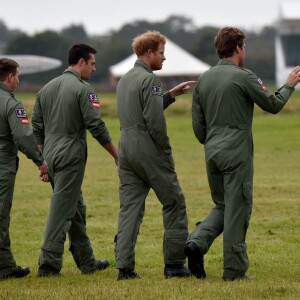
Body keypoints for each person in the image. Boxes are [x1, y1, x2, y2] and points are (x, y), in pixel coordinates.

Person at [185, 26, 300, 281]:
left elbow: (198, 127)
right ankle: (235, 271)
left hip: (212, 152)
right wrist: (289, 85)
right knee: (238, 209)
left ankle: (196, 242)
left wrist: (213, 140)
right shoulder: (244, 76)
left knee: (223, 205)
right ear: (237, 48)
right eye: (244, 47)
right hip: (236, 153)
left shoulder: (203, 79)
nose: (244, 51)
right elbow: (272, 105)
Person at [31, 44, 118, 277]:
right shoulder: (84, 89)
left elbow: (37, 126)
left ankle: (87, 262)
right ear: (81, 62)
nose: (94, 68)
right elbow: (96, 125)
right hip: (70, 154)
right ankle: (48, 265)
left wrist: (42, 160)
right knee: (61, 211)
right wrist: (116, 155)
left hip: (50, 153)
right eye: (92, 63)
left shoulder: (46, 89)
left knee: (76, 207)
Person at [115, 31, 195, 280]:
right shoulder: (150, 81)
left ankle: (124, 267)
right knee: (174, 202)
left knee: (130, 208)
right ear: (149, 53)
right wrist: (165, 149)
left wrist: (170, 95)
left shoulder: (125, 80)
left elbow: (142, 109)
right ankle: (174, 264)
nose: (164, 58)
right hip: (147, 147)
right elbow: (153, 121)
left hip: (126, 147)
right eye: (161, 52)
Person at [0, 58, 48, 280]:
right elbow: (23, 137)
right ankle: (5, 269)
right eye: (17, 76)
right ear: (10, 77)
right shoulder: (11, 104)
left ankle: (7, 265)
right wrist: (40, 160)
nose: (18, 81)